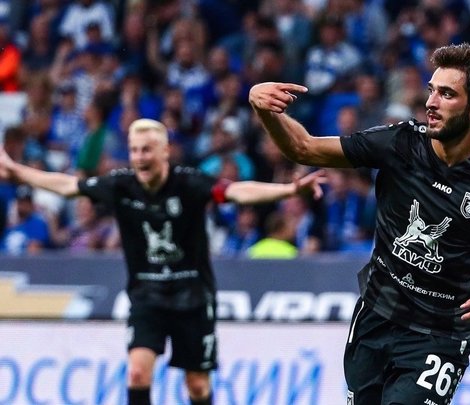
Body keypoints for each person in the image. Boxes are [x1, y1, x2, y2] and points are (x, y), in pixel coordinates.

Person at [248, 42, 470, 404]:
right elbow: (304, 148)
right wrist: (264, 110)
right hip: (375, 316)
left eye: (447, 94)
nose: (431, 102)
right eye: (431, 90)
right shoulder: (399, 142)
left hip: (439, 335)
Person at [0, 118, 326, 405]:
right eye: (134, 150)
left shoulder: (189, 183)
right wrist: (18, 172)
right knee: (137, 373)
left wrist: (288, 191)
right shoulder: (121, 185)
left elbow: (237, 192)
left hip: (193, 296)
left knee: (197, 385)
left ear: (164, 151)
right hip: (147, 297)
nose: (140, 157)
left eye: (147, 150)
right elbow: (68, 186)